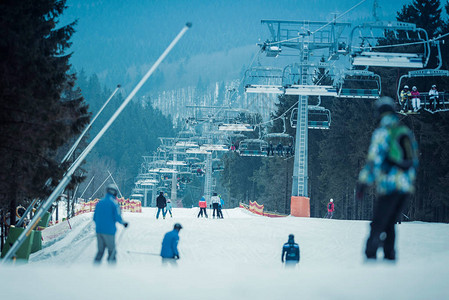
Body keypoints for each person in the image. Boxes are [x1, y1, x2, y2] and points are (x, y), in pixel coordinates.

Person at [356, 97, 418, 261]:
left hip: (390, 185)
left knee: (378, 221)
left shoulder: (382, 133)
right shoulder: (404, 132)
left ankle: (370, 255)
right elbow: (413, 160)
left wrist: (363, 182)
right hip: (405, 186)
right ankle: (390, 255)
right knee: (390, 222)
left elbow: (374, 161)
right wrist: (407, 180)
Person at [93, 184, 128, 264]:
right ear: (115, 193)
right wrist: (124, 223)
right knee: (112, 252)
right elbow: (117, 217)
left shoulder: (99, 202)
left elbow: (94, 218)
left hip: (99, 231)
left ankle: (94, 269)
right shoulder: (114, 203)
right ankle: (111, 271)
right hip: (109, 231)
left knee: (100, 251)